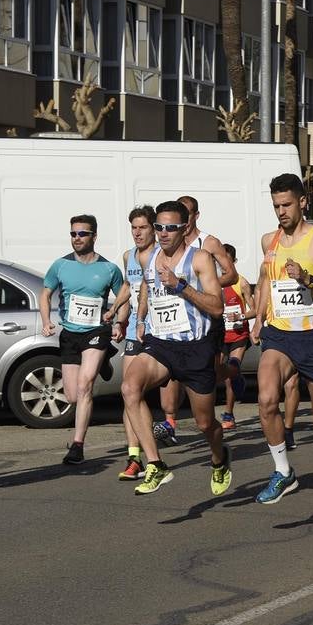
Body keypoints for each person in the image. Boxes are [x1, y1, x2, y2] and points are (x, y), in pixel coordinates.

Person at [252, 174, 313, 519]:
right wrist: (258, 317)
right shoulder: (270, 241)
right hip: (279, 335)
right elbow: (266, 280)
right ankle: (283, 471)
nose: (281, 212)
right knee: (266, 399)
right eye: (276, 206)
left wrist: (308, 280)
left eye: (287, 204)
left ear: (303, 201)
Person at [119, 200, 231, 496]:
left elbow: (217, 307)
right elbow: (146, 287)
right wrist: (141, 318)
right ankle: (156, 464)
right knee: (130, 388)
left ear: (184, 229)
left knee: (205, 424)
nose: (163, 233)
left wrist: (181, 286)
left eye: (170, 228)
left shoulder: (200, 259)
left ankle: (219, 458)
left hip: (195, 347)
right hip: (161, 344)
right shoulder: (149, 258)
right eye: (159, 227)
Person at [152, 195, 237, 445]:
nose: (181, 224)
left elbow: (231, 274)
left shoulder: (208, 243)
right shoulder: (162, 250)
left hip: (206, 319)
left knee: (210, 371)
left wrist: (198, 285)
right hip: (173, 327)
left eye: (187, 216)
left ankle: (231, 371)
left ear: (194, 217)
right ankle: (170, 422)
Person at [40, 214, 125, 464]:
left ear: (94, 236)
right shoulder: (60, 266)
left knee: (85, 385)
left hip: (96, 331)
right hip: (70, 334)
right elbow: (44, 294)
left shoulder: (109, 269)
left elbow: (124, 297)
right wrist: (46, 321)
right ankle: (105, 358)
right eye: (73, 234)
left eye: (82, 233)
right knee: (72, 396)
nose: (77, 238)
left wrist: (119, 321)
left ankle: (77, 445)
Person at [107, 205, 155, 480]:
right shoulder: (130, 256)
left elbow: (148, 289)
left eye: (143, 227)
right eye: (134, 228)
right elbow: (128, 286)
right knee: (129, 392)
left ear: (153, 228)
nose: (137, 233)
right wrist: (116, 312)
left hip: (159, 331)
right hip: (135, 333)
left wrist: (141, 318)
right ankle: (136, 457)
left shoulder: (160, 256)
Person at [219, 243, 254, 430]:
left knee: (231, 371)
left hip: (239, 335)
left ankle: (228, 413)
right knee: (218, 373)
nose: (224, 264)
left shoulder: (242, 283)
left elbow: (255, 309)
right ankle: (237, 379)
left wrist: (240, 316)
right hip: (220, 336)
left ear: (234, 261)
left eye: (228, 260)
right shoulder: (213, 282)